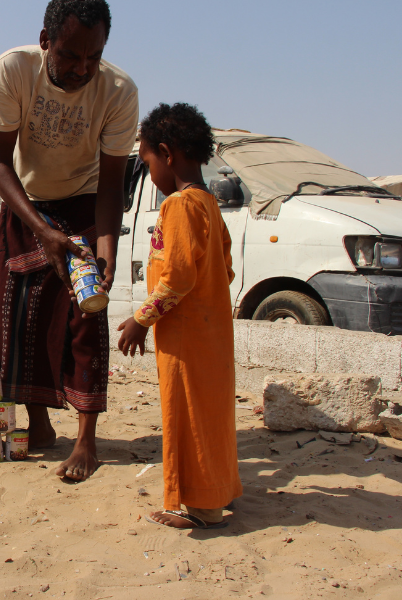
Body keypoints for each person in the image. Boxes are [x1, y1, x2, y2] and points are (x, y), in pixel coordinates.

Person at [0, 0, 138, 481]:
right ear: (46, 40)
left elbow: (113, 184)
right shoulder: (13, 71)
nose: (82, 68)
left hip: (84, 200)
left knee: (85, 312)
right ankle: (39, 423)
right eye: (71, 55)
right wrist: (41, 229)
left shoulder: (118, 92)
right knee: (19, 309)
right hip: (24, 201)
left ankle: (87, 440)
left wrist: (108, 249)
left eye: (94, 56)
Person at [117, 102, 242, 529]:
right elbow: (222, 270)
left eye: (148, 161)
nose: (149, 173)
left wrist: (141, 319)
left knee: (186, 412)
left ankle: (202, 506)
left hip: (187, 338)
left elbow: (179, 278)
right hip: (210, 332)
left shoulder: (179, 206)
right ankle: (219, 491)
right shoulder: (209, 204)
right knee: (211, 413)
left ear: (167, 153)